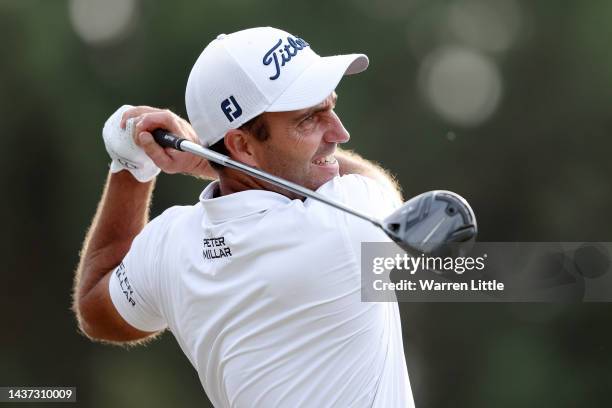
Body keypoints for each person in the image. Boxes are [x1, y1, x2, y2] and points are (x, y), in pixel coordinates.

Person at [73, 27, 415, 407]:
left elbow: (95, 310)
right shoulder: (346, 226)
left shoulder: (168, 247)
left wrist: (130, 165)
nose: (339, 132)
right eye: (310, 118)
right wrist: (204, 160)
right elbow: (380, 185)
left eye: (331, 106)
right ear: (242, 146)